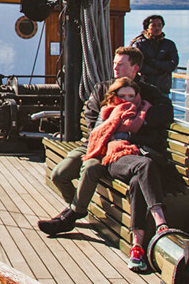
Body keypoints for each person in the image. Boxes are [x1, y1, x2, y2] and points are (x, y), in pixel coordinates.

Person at [37, 47, 170, 237]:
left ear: (135, 68)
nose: (115, 68)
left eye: (121, 65)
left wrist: (141, 123)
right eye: (114, 64)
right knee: (59, 174)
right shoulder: (103, 88)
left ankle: (73, 214)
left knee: (90, 169)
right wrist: (102, 137)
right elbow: (91, 115)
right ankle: (78, 207)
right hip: (95, 144)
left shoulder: (147, 92)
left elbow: (165, 110)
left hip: (119, 150)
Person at [84, 77, 173, 272]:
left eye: (131, 96)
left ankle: (137, 248)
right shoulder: (107, 111)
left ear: (137, 96)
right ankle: (161, 222)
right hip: (115, 159)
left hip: (137, 157)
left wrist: (129, 136)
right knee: (145, 166)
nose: (126, 100)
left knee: (137, 184)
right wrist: (120, 137)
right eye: (122, 95)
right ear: (114, 96)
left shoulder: (145, 112)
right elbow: (98, 135)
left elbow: (154, 137)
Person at [130, 14, 179, 95]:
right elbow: (137, 65)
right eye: (153, 25)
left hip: (163, 87)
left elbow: (173, 64)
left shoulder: (169, 44)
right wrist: (160, 70)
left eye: (159, 25)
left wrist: (153, 62)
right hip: (145, 86)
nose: (157, 28)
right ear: (147, 27)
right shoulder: (139, 44)